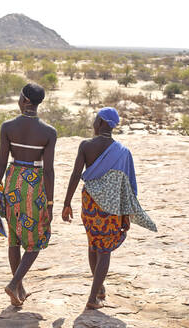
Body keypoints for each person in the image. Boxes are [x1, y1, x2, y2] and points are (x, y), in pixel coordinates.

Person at [61, 107, 155, 310]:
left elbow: (76, 175)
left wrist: (66, 203)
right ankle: (94, 296)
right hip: (111, 206)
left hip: (90, 203)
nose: (93, 123)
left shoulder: (86, 146)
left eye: (96, 119)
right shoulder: (122, 152)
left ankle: (99, 288)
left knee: (93, 244)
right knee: (104, 251)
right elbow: (128, 186)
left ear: (102, 122)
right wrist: (127, 214)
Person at [0, 83, 57, 307]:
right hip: (34, 185)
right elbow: (48, 170)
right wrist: (49, 202)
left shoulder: (8, 126)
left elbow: (0, 162)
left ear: (26, 100)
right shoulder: (49, 132)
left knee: (14, 237)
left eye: (20, 96)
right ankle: (14, 285)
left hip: (12, 180)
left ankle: (18, 287)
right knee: (36, 239)